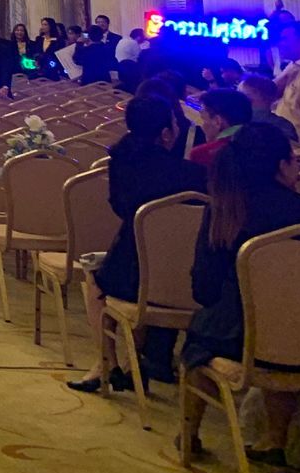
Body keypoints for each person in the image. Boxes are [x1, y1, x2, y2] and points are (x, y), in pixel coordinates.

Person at [180, 124, 300, 456]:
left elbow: (204, 288)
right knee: (282, 323)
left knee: (200, 338)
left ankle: (190, 435)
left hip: (244, 339)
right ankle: (275, 439)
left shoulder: (226, 212)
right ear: (281, 165)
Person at [68, 93, 205, 392]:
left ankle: (106, 362)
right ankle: (131, 365)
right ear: (165, 133)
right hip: (189, 279)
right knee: (126, 273)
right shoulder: (193, 175)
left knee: (96, 280)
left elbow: (120, 208)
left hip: (135, 270)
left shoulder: (121, 163)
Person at [187, 88, 253, 169]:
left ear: (217, 121)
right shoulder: (263, 142)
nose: (202, 125)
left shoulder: (203, 153)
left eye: (202, 118)